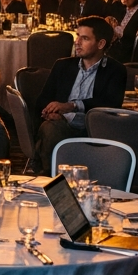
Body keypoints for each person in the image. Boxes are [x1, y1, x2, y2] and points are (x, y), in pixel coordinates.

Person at [31, 17, 127, 174]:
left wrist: (72, 106)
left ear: (101, 44)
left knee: (51, 131)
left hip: (93, 129)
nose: (77, 42)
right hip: (60, 126)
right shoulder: (62, 66)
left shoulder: (116, 70)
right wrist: (51, 112)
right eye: (77, 36)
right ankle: (50, 179)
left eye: (85, 38)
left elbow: (111, 105)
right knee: (50, 128)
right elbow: (43, 100)